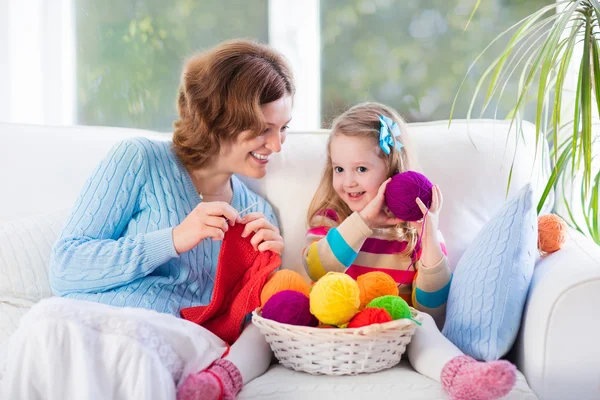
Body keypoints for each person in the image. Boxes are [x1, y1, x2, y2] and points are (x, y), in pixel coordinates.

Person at [0, 39, 294, 400]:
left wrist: (265, 277)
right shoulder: (139, 160)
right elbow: (66, 268)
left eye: (284, 129)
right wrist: (173, 238)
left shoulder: (258, 217)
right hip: (82, 324)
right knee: (44, 326)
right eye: (264, 129)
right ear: (220, 119)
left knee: (132, 352)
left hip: (160, 341)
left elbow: (242, 327)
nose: (277, 145)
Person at [303, 102, 517, 400]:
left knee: (424, 324)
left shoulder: (412, 234)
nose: (347, 181)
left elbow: (432, 309)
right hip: (338, 331)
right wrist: (363, 222)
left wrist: (429, 235)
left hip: (393, 337)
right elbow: (318, 269)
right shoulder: (332, 220)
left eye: (361, 169)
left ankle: (461, 374)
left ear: (392, 171)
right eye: (339, 169)